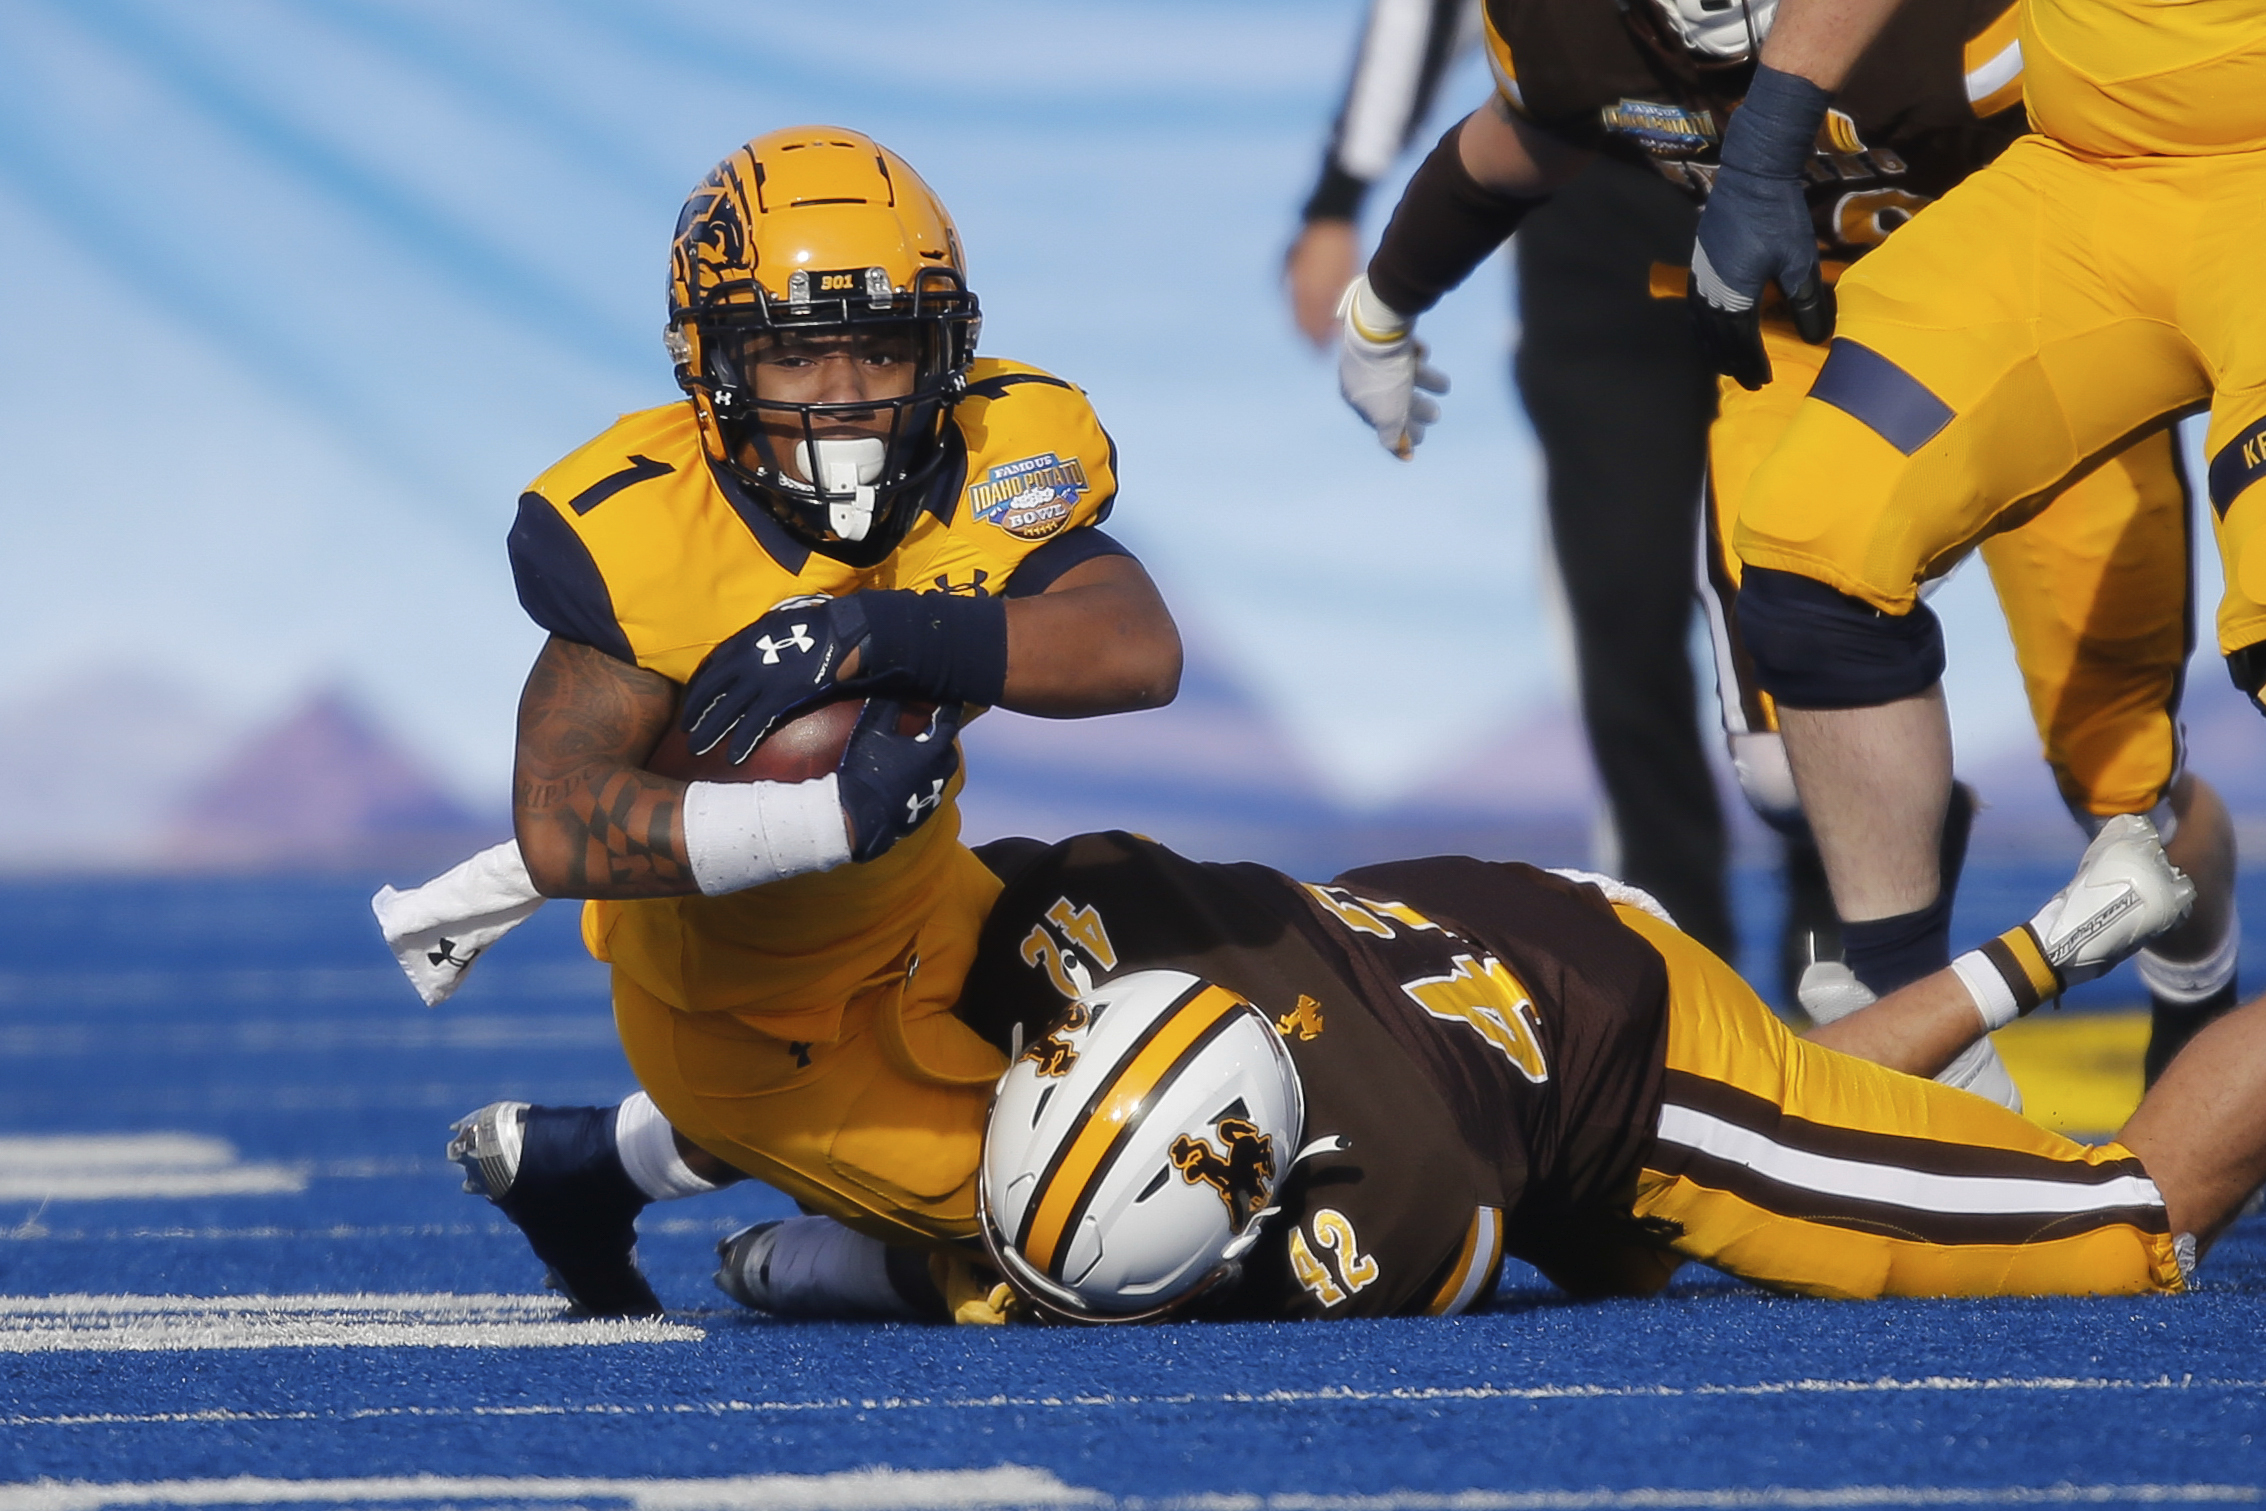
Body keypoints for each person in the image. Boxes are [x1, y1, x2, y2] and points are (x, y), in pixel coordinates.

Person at [1329, 0, 2239, 1082]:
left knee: (2118, 777)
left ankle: (2196, 983)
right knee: (1781, 760)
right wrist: (1383, 301)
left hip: (2034, 321)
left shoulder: (1964, 33)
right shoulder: (1572, 31)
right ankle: (1926, 1035)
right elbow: (1522, 141)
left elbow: (2137, 158)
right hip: (1796, 336)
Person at [396, 125, 1182, 1317]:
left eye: (881, 347)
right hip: (739, 1016)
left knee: (1210, 1023)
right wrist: (823, 815)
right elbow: (559, 823)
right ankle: (800, 1263)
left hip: (930, 906)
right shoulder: (643, 532)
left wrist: (892, 631)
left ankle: (590, 1168)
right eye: (797, 357)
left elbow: (1135, 645)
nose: (849, 396)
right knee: (1116, 1217)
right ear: (709, 362)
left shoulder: (988, 451)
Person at [719, 813, 2226, 1324]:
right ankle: (2047, 943)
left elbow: (1087, 1288)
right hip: (1458, 916)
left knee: (2124, 1228)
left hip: (1625, 1047)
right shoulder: (1085, 906)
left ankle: (2091, 1023)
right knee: (1801, 1103)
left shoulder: (1396, 1204)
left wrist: (807, 1265)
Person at [1686, 0, 2261, 1084]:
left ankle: (2196, 996)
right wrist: (1765, 139)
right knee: (1812, 545)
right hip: (2081, 184)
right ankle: (1928, 1051)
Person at [1288, 0, 1756, 970]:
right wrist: (1345, 206)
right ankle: (1692, 973)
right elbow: (1446, 38)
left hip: (1808, 224)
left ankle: (1842, 929)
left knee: (1808, 605)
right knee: (1622, 604)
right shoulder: (1567, 79)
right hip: (1605, 241)